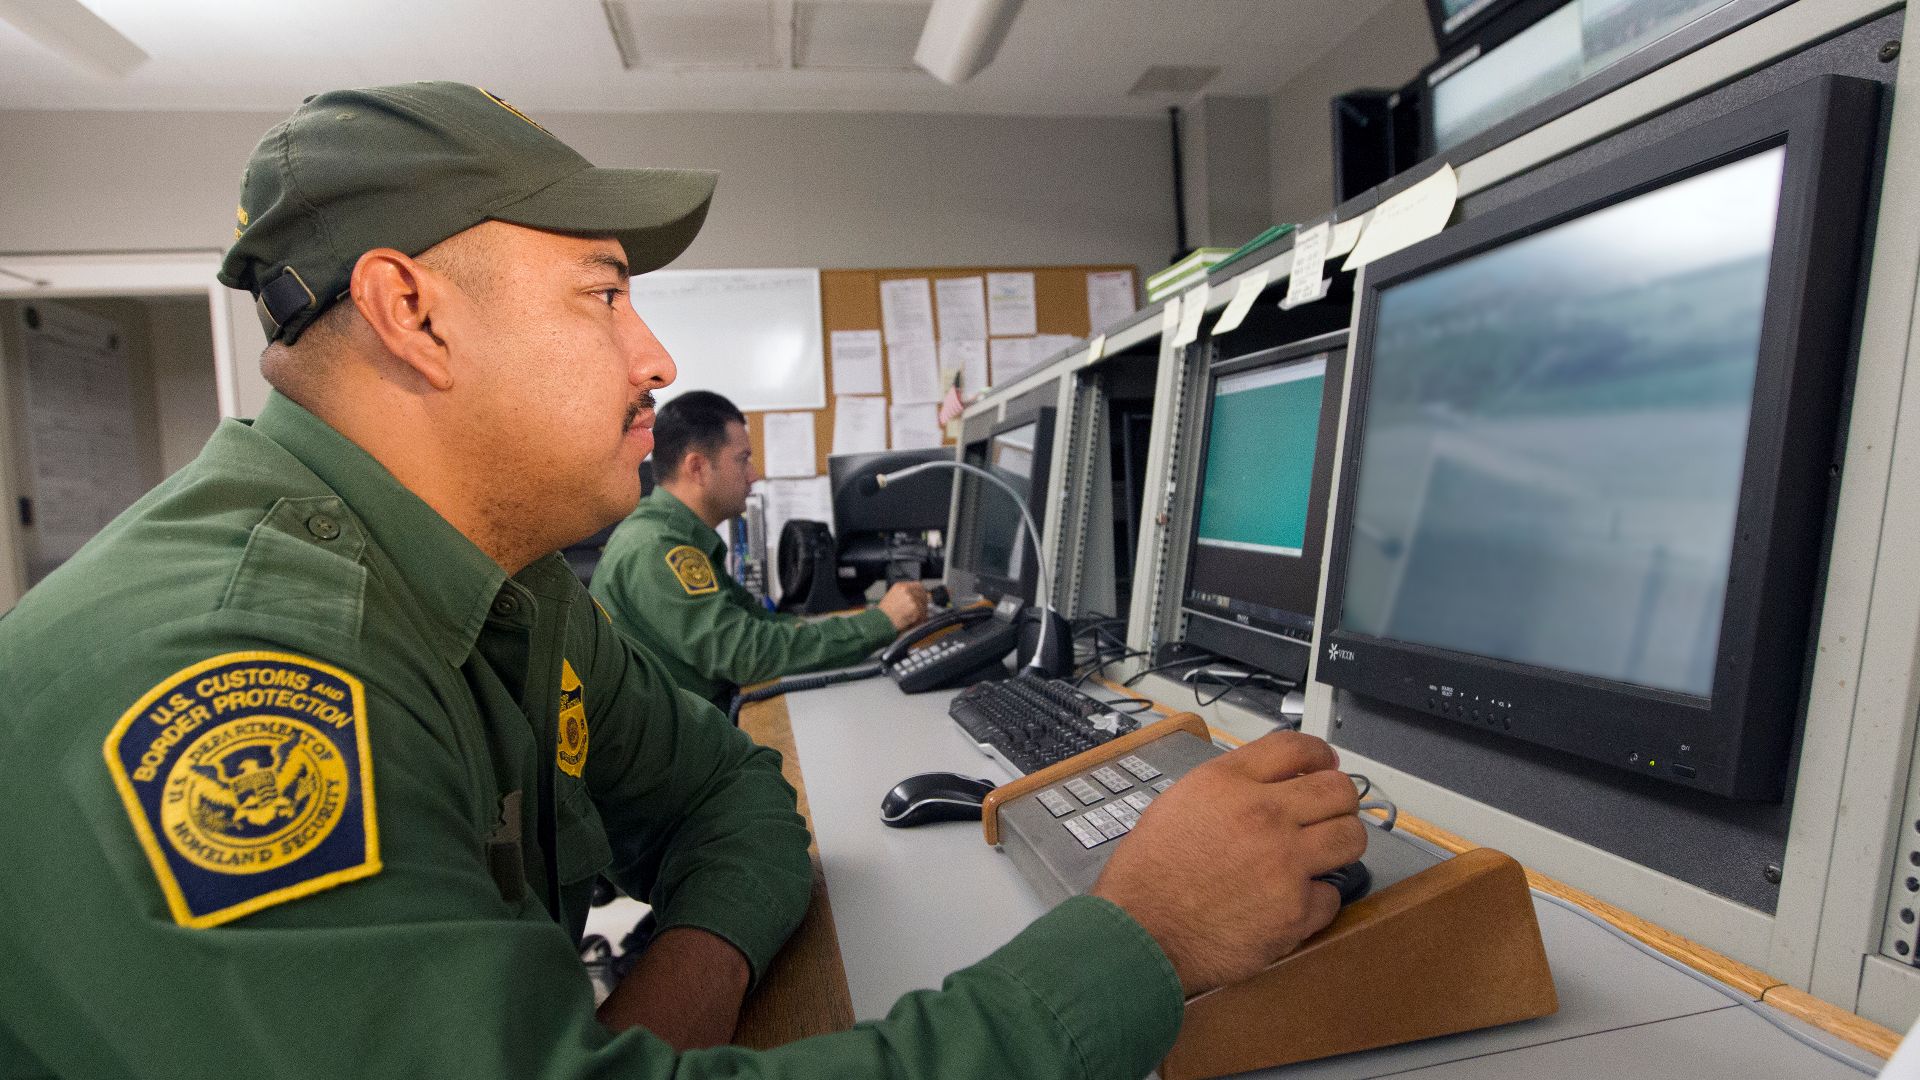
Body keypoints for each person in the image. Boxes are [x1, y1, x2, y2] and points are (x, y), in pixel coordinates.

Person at [0, 82, 1366, 1079]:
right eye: (604, 294)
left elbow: (736, 798)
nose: (655, 357)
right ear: (414, 314)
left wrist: (666, 1011)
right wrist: (1143, 936)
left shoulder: (510, 591)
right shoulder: (242, 671)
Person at [591, 390, 929, 709]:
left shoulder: (675, 535)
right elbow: (744, 653)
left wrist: (863, 621)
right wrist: (880, 622)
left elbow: (758, 623)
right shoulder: (657, 548)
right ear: (697, 468)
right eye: (743, 460)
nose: (753, 475)